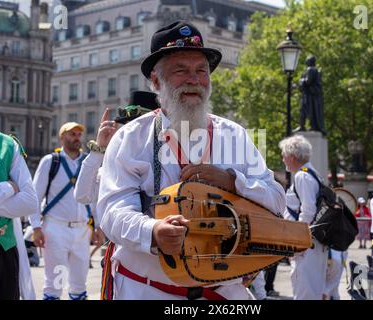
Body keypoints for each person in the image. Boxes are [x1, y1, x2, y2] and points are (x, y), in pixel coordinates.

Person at [97, 20, 286, 300]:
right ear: (156, 81)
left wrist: (234, 182)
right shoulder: (131, 138)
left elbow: (277, 200)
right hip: (150, 291)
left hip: (224, 293)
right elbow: (111, 211)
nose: (194, 80)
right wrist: (153, 231)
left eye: (201, 71)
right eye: (181, 70)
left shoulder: (235, 135)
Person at [74, 91, 159, 269]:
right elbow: (82, 195)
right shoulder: (112, 165)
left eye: (138, 124)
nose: (131, 131)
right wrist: (98, 150)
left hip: (159, 260)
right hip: (122, 262)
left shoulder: (169, 161)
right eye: (128, 125)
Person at [29, 122, 103, 300]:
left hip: (82, 230)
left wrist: (98, 227)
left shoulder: (88, 162)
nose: (76, 137)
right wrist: (36, 228)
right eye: (72, 134)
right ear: (62, 137)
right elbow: (35, 196)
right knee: (54, 283)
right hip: (55, 228)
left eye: (78, 134)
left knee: (80, 283)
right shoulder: (51, 161)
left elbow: (94, 198)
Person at [0, 72, 38, 300]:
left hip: (5, 252)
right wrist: (8, 188)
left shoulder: (7, 144)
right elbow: (18, 195)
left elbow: (29, 201)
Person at [279, 135, 327, 300]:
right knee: (312, 290)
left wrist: (297, 242)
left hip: (306, 246)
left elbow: (307, 211)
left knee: (304, 291)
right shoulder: (312, 173)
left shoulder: (302, 176)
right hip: (313, 244)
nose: (283, 159)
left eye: (284, 155)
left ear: (292, 157)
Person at [294, 56, 325, 135]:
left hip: (308, 96)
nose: (306, 61)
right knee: (311, 112)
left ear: (310, 61)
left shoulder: (310, 69)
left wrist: (300, 81)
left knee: (303, 110)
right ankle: (312, 126)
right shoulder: (316, 70)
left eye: (307, 60)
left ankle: (302, 126)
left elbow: (308, 81)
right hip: (312, 95)